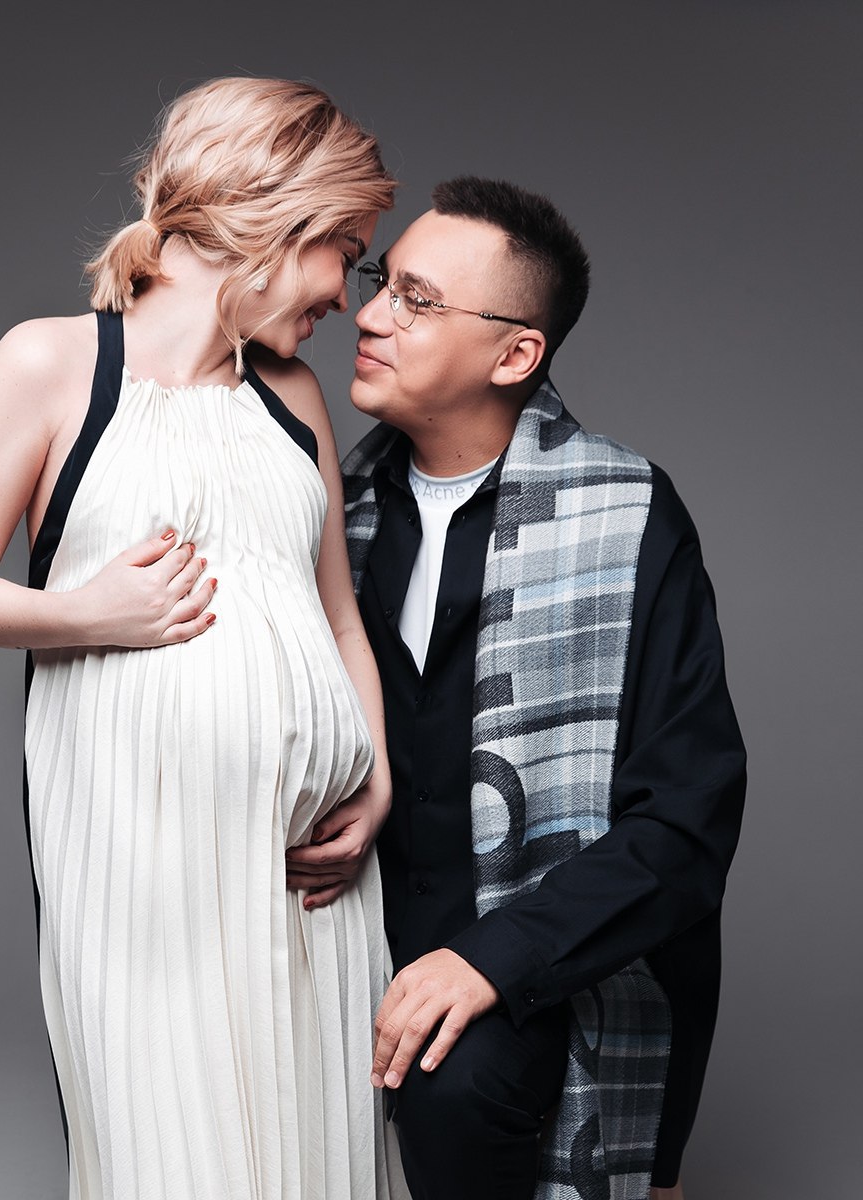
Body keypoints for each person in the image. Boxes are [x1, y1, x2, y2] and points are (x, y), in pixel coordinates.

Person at [0, 77, 410, 1199]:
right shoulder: (51, 364)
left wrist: (374, 784)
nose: (347, 294)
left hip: (310, 880)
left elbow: (338, 617)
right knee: (172, 1153)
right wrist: (82, 614)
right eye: (345, 251)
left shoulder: (293, 397)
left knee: (321, 1155)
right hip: (141, 870)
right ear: (272, 216)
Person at [288, 176, 747, 1200]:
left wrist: (493, 959)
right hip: (345, 944)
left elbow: (687, 820)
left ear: (515, 355)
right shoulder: (323, 508)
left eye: (416, 300)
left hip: (543, 964)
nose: (369, 315)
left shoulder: (629, 516)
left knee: (451, 1090)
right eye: (381, 283)